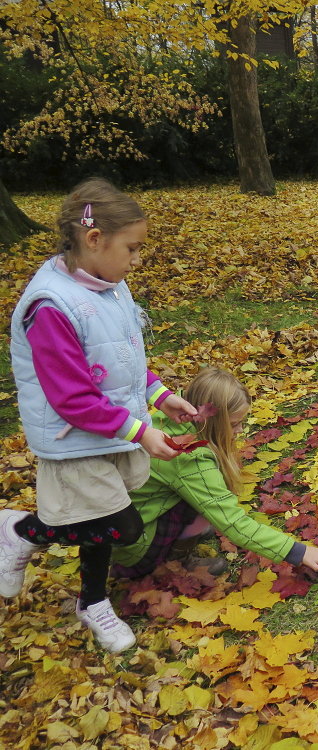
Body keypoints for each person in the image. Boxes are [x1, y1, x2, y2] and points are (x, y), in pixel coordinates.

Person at [1, 177, 199, 653]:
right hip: (75, 437)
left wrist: (159, 395)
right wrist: (140, 432)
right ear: (94, 239)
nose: (136, 260)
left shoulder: (110, 285)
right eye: (131, 249)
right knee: (121, 524)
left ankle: (92, 601)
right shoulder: (52, 306)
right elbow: (72, 397)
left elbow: (122, 360)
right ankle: (19, 531)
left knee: (100, 520)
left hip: (110, 429)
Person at [111, 367, 318, 578]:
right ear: (213, 421)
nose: (239, 430)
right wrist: (298, 552)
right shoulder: (187, 455)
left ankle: (180, 534)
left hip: (124, 528)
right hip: (135, 551)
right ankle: (175, 559)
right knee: (204, 504)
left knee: (202, 500)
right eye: (234, 423)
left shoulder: (171, 419)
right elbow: (232, 522)